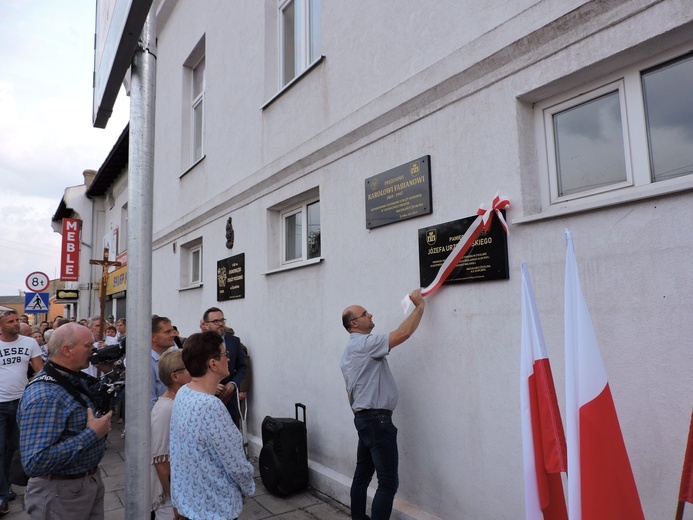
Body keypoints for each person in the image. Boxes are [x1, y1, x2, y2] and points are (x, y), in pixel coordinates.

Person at [340, 289, 426, 520]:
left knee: (362, 477)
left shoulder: (348, 351)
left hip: (364, 419)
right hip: (377, 421)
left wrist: (362, 415)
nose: (371, 315)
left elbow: (350, 392)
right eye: (365, 313)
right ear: (355, 323)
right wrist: (419, 307)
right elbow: (402, 334)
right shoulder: (366, 343)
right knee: (387, 483)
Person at [17, 323, 112, 520]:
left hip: (84, 483)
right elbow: (35, 462)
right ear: (67, 350)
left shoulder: (70, 378)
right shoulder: (46, 396)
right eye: (88, 346)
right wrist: (91, 434)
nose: (93, 349)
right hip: (60, 493)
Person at [170, 331, 254, 519]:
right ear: (213, 363)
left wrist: (179, 499)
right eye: (225, 354)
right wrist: (248, 487)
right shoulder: (211, 406)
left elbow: (178, 450)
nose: (228, 358)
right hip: (214, 508)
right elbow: (236, 464)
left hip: (191, 503)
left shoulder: (184, 392)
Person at [0, 310, 44, 515]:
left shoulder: (29, 343)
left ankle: (8, 481)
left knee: (16, 447)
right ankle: (2, 493)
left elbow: (40, 371)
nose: (16, 324)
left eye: (17, 320)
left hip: (21, 401)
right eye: (10, 321)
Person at [150, 349, 191, 519]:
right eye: (190, 367)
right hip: (170, 498)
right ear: (175, 376)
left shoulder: (179, 401)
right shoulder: (167, 409)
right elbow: (161, 461)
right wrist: (177, 502)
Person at [201, 308, 247, 426]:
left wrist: (233, 384)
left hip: (228, 398)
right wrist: (210, 384)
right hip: (206, 397)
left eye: (222, 320)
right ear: (206, 325)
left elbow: (242, 367)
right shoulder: (198, 343)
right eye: (216, 321)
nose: (220, 324)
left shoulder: (234, 341)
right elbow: (193, 370)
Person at [151, 316, 177, 408]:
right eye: (167, 332)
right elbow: (150, 403)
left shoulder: (167, 359)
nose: (173, 334)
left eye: (172, 331)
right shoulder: (147, 365)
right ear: (153, 337)